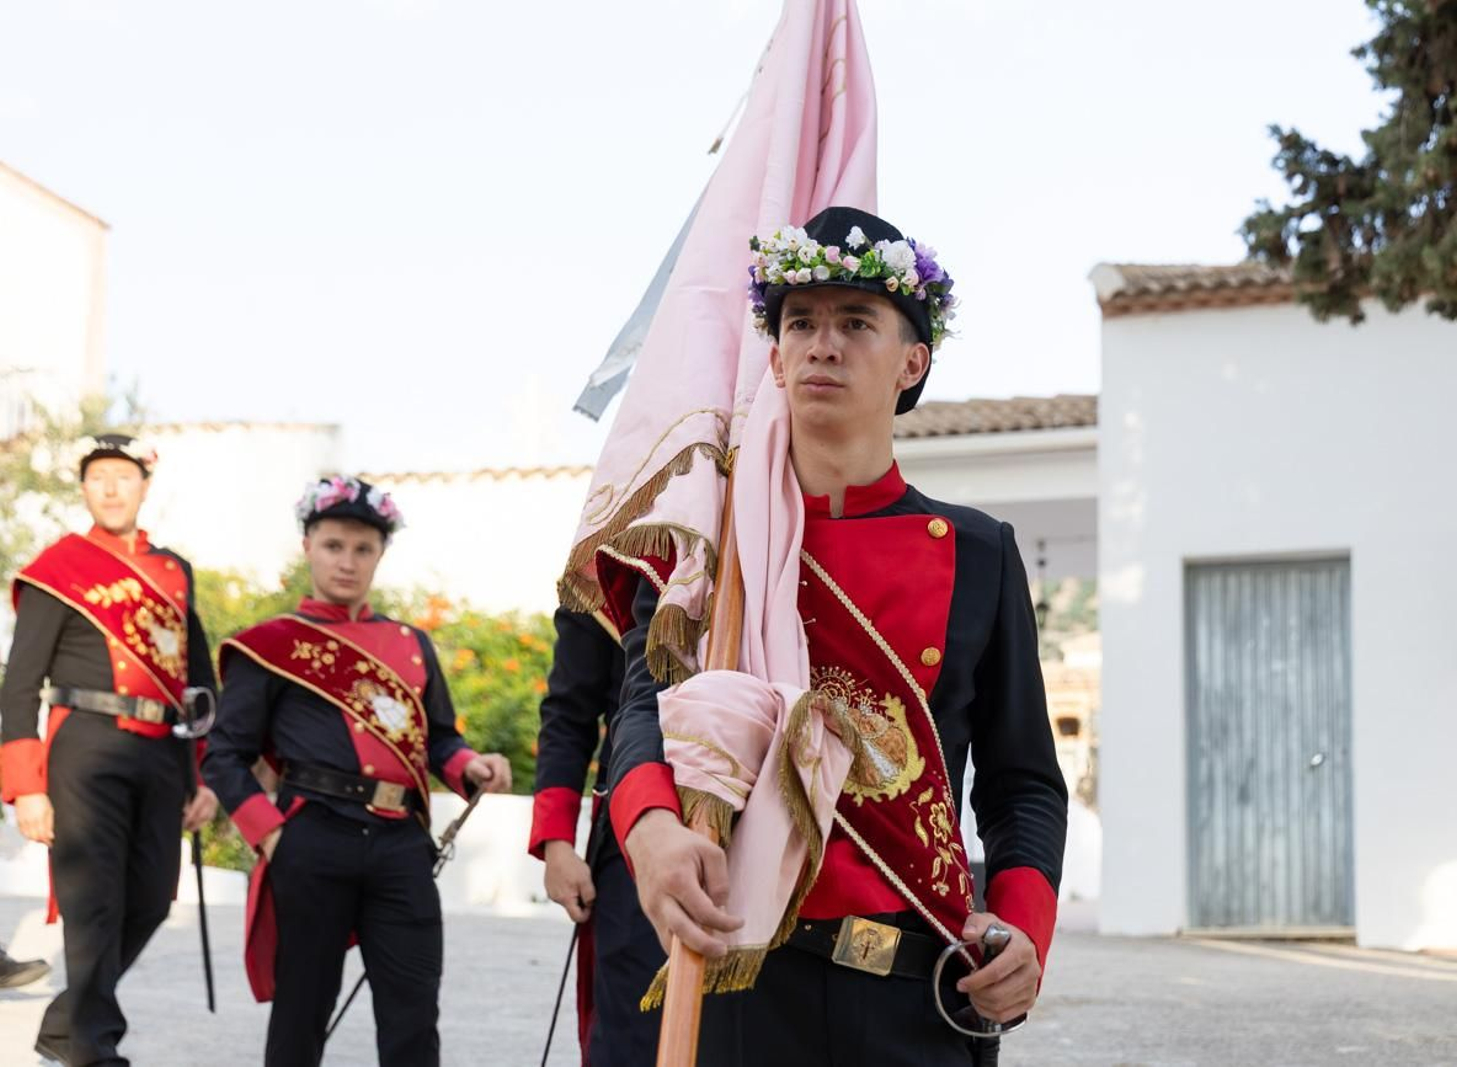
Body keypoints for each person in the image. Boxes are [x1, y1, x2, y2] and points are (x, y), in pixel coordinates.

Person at [604, 207, 1070, 1064]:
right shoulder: (715, 547)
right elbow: (640, 712)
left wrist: (1024, 923)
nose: (824, 343)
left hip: (918, 991)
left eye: (857, 322)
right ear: (773, 358)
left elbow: (1023, 784)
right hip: (743, 975)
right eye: (800, 322)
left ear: (912, 360)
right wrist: (652, 829)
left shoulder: (980, 552)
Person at [202, 475, 513, 1067]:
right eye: (334, 546)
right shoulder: (271, 645)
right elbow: (223, 754)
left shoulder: (410, 643)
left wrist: (473, 765)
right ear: (308, 547)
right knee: (302, 1012)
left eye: (363, 549)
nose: (348, 562)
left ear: (379, 555)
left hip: (401, 845)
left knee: (413, 1014)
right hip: (311, 838)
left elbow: (439, 739)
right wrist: (270, 835)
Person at [0, 433, 217, 1066]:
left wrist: (199, 776)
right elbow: (18, 685)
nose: (113, 489)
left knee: (151, 900)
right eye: (99, 478)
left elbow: (197, 682)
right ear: (85, 489)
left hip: (161, 752)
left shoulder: (173, 571)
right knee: (94, 902)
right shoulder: (57, 570)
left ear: (145, 487)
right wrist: (26, 784)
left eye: (124, 477)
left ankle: (66, 1023)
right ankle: (95, 1050)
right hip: (85, 748)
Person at [529, 606, 664, 1065]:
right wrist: (556, 842)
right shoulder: (609, 549)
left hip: (762, 833)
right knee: (634, 1032)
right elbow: (569, 713)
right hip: (634, 833)